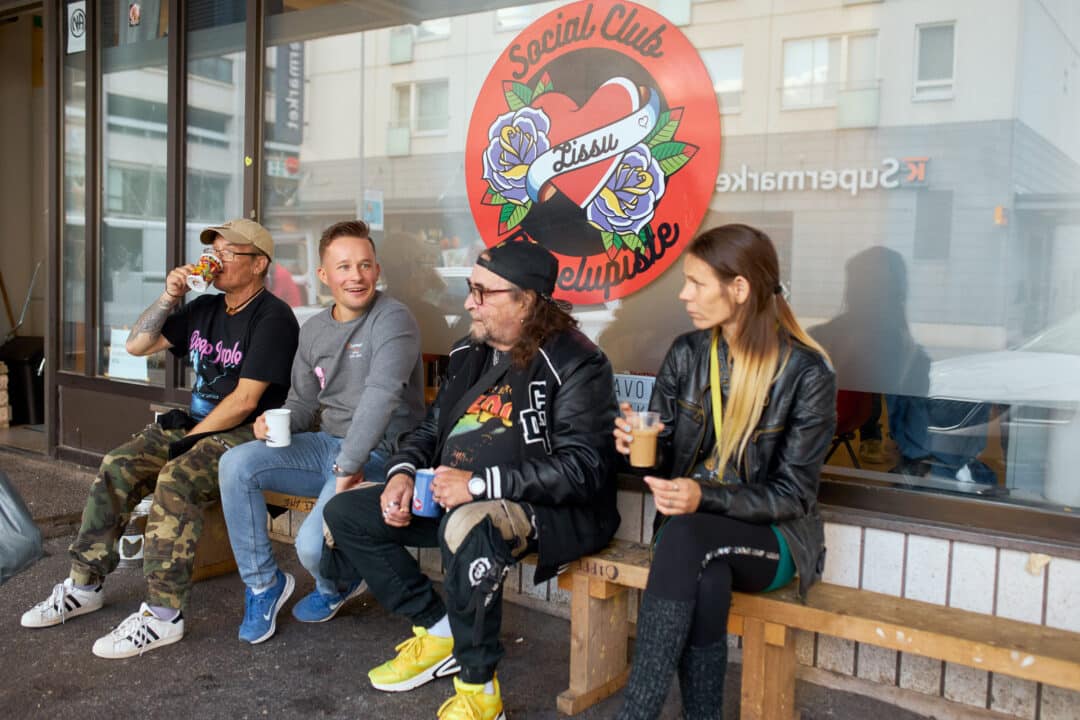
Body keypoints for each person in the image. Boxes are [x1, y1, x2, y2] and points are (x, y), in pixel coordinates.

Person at [320, 239, 618, 720]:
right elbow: (431, 429)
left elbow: (583, 468)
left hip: (544, 509)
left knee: (468, 526)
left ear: (526, 300)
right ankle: (439, 629)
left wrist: (478, 485)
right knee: (346, 511)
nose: (468, 303)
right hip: (450, 493)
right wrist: (401, 473)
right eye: (470, 288)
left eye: (483, 292)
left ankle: (480, 690)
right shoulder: (469, 351)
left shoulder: (576, 362)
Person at [20, 219, 299, 659]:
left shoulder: (273, 317)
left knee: (177, 478)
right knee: (118, 465)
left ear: (259, 264)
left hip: (248, 432)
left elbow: (245, 401)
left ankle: (163, 615)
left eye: (228, 254)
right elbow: (136, 346)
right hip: (196, 422)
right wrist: (170, 296)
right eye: (214, 252)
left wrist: (188, 442)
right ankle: (84, 584)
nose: (216, 260)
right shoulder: (204, 308)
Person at [612, 224, 836, 719]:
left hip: (775, 538)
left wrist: (702, 497)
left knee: (689, 537)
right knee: (707, 579)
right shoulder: (688, 353)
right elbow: (665, 458)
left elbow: (792, 496)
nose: (683, 294)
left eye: (696, 282)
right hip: (694, 534)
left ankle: (636, 715)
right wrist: (634, 446)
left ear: (739, 289)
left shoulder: (806, 373)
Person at [218, 220, 425, 644]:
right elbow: (302, 403)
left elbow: (382, 396)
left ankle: (338, 583)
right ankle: (263, 585)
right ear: (324, 275)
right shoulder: (313, 330)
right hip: (326, 446)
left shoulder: (393, 319)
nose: (356, 276)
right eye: (344, 267)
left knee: (311, 546)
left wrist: (348, 466)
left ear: (377, 269)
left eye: (364, 265)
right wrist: (273, 420)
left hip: (381, 453)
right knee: (235, 464)